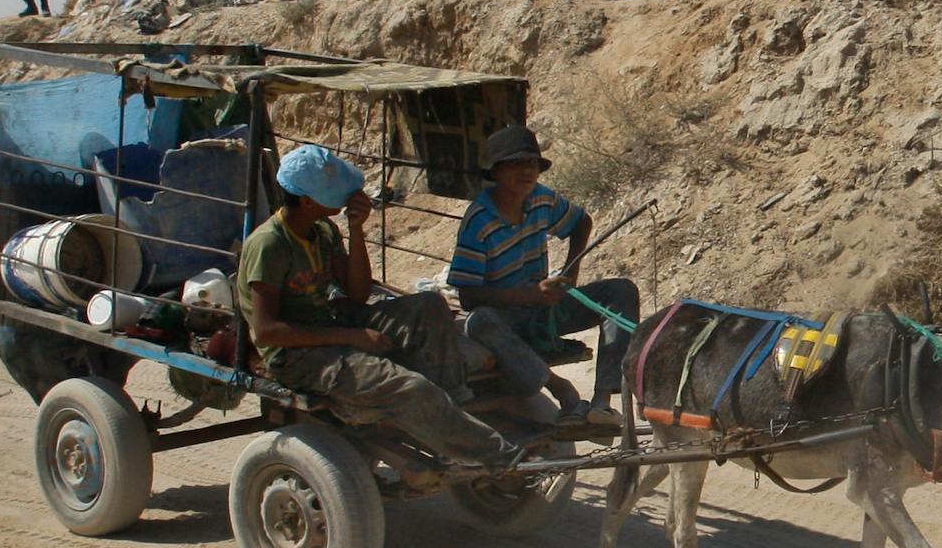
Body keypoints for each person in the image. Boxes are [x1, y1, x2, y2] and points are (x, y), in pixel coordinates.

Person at [237, 145, 519, 470]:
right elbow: (267, 331)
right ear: (308, 201)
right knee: (410, 387)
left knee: (429, 305)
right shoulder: (269, 245)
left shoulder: (323, 230)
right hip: (296, 356)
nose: (347, 198)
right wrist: (353, 337)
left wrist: (356, 230)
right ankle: (498, 455)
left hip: (330, 323)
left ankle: (452, 412)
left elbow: (356, 294)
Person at [448, 125, 640, 435]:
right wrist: (529, 295)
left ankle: (602, 401)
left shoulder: (540, 199)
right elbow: (469, 296)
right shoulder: (479, 220)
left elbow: (582, 222)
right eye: (515, 164)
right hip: (509, 316)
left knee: (620, 291)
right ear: (496, 172)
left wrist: (569, 275)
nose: (526, 171)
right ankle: (562, 389)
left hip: (545, 310)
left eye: (532, 164)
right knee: (480, 322)